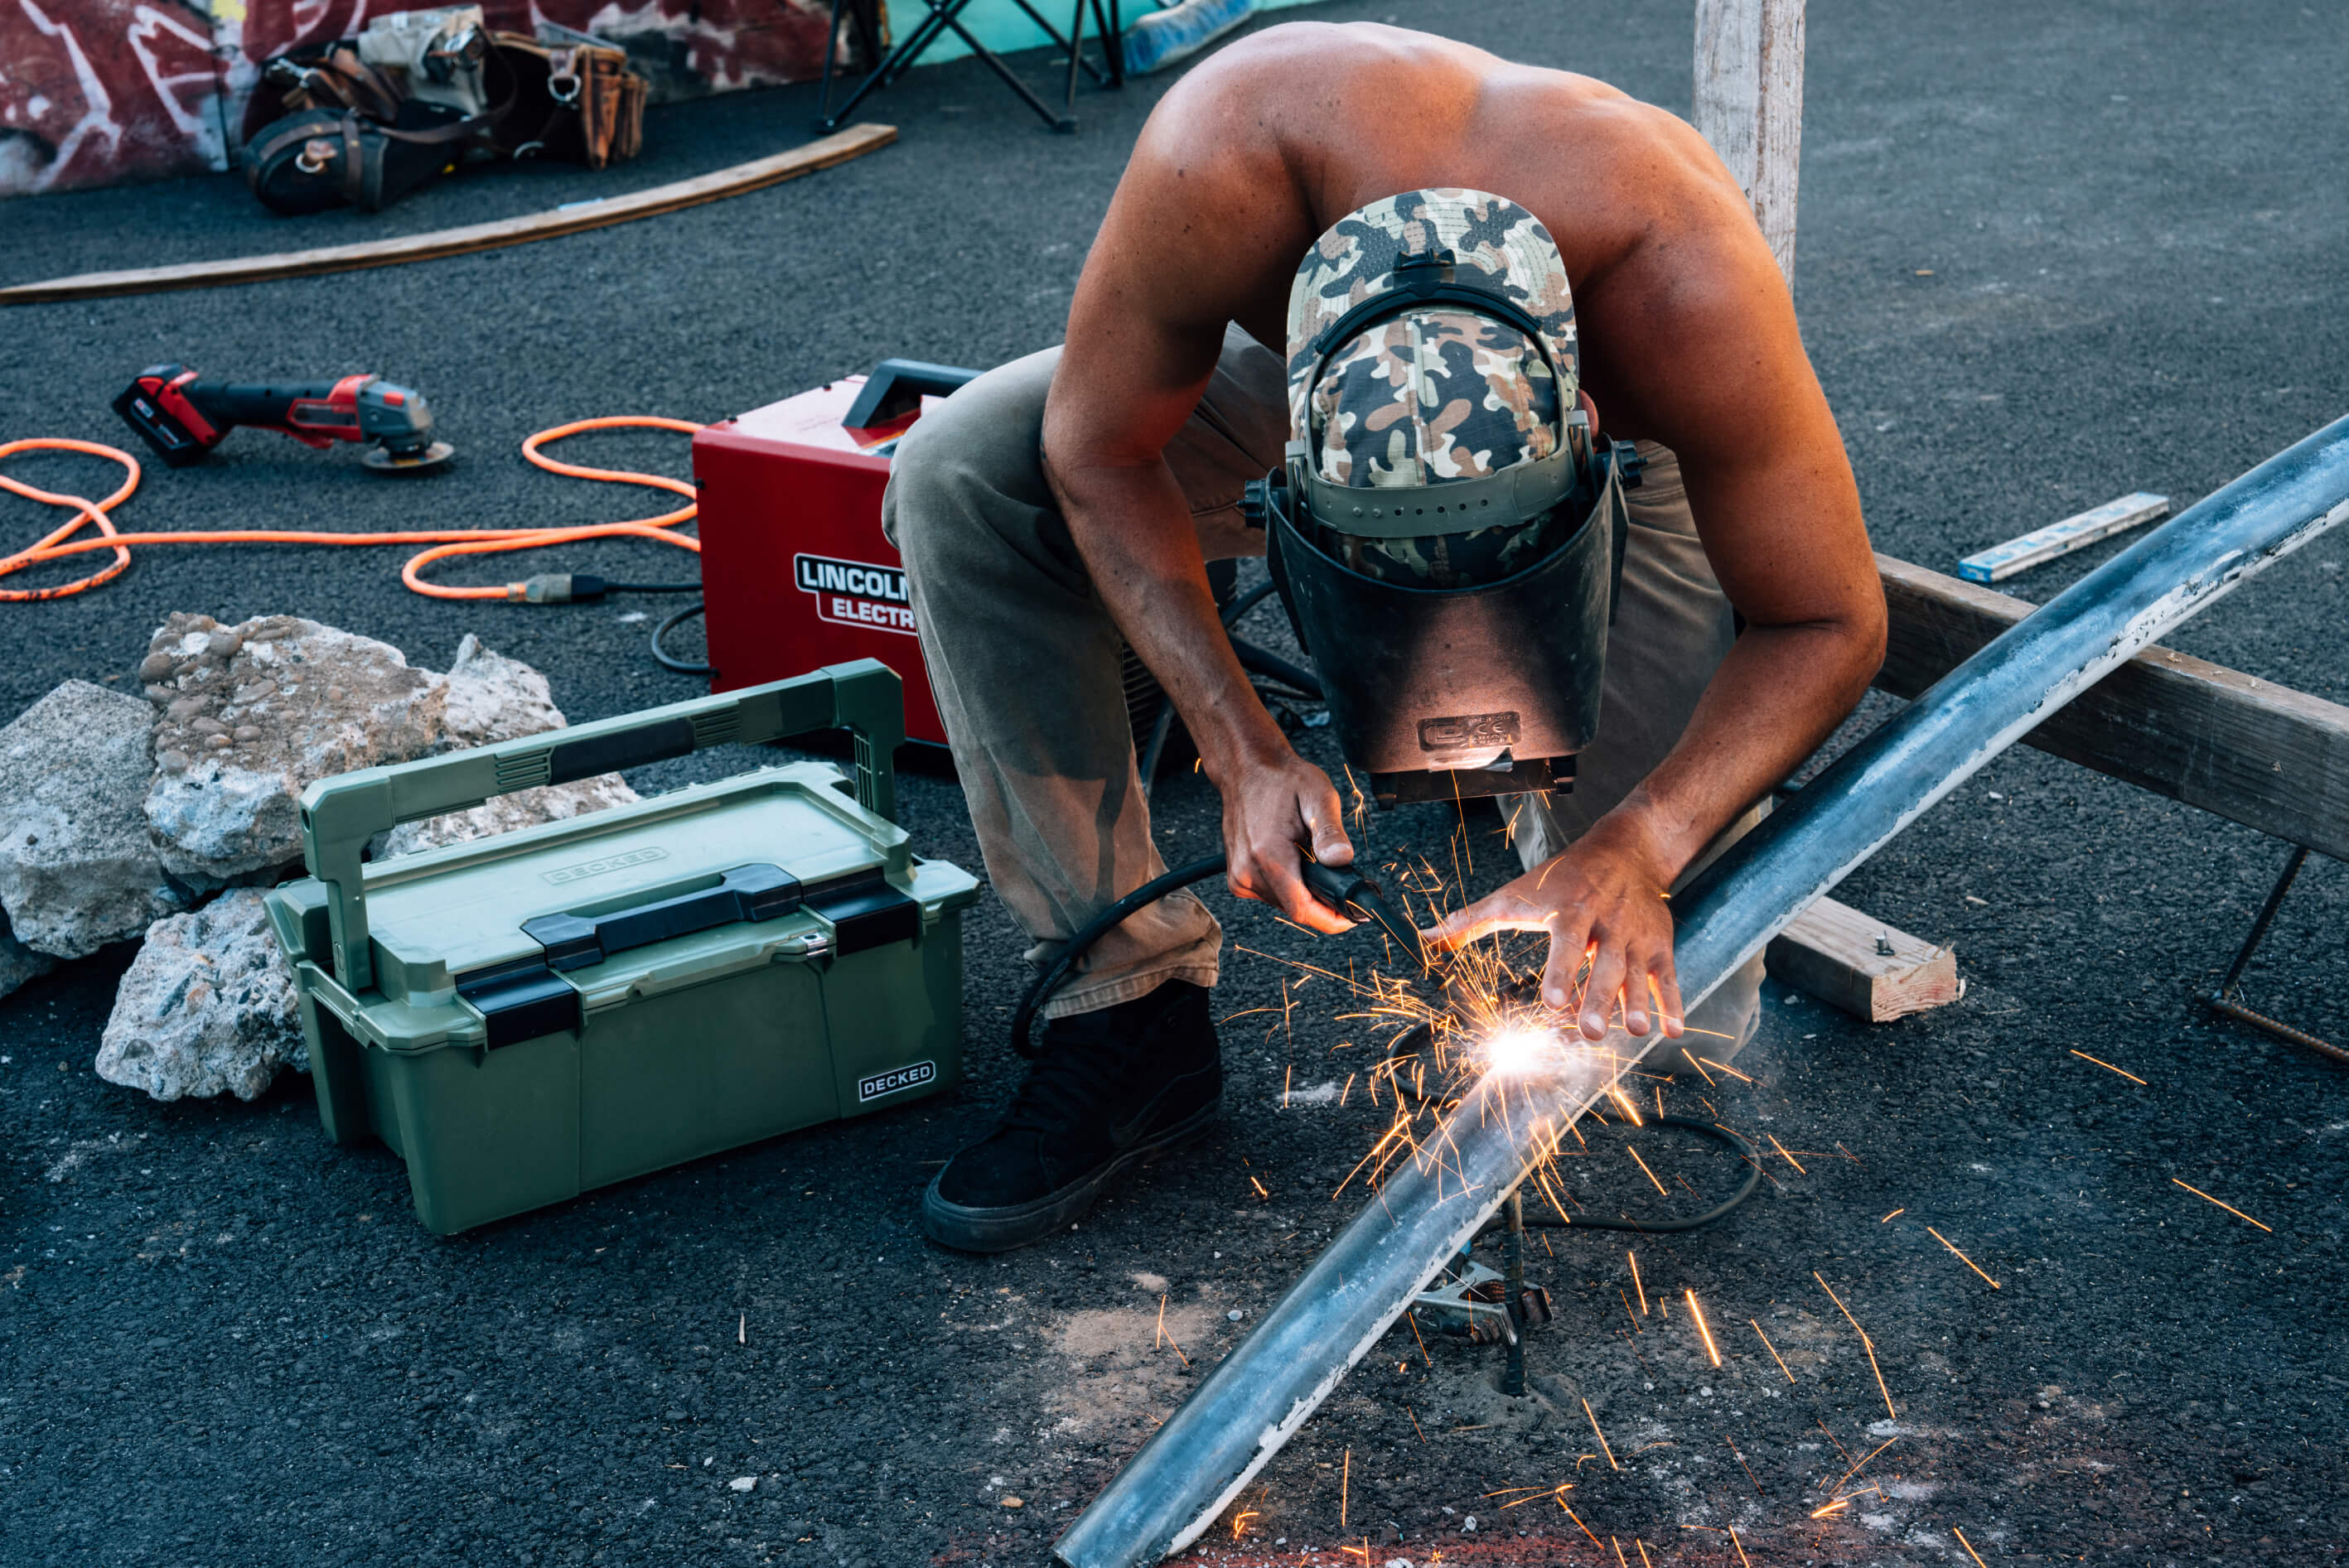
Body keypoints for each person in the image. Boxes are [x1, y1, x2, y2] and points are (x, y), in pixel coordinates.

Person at [883, 21, 1886, 1252]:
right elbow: (1096, 451)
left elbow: (1831, 619)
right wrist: (1242, 746)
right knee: (963, 471)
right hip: (1312, 377)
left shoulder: (1680, 289)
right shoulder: (1224, 164)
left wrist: (1643, 840)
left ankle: (1560, 770)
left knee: (1673, 1033)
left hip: (1648, 443)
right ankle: (1127, 1006)